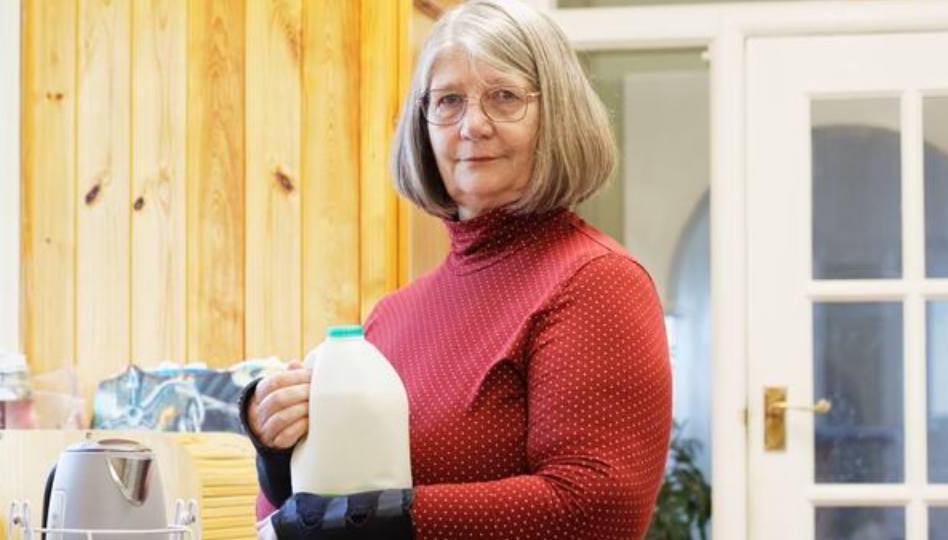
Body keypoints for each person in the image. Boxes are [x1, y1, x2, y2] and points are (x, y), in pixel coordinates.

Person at [238, 1, 673, 538]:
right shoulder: (391, 317)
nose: (473, 125)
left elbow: (594, 508)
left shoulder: (597, 283)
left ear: (558, 114)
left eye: (504, 97)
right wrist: (277, 448)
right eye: (448, 101)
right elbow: (288, 519)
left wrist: (387, 519)